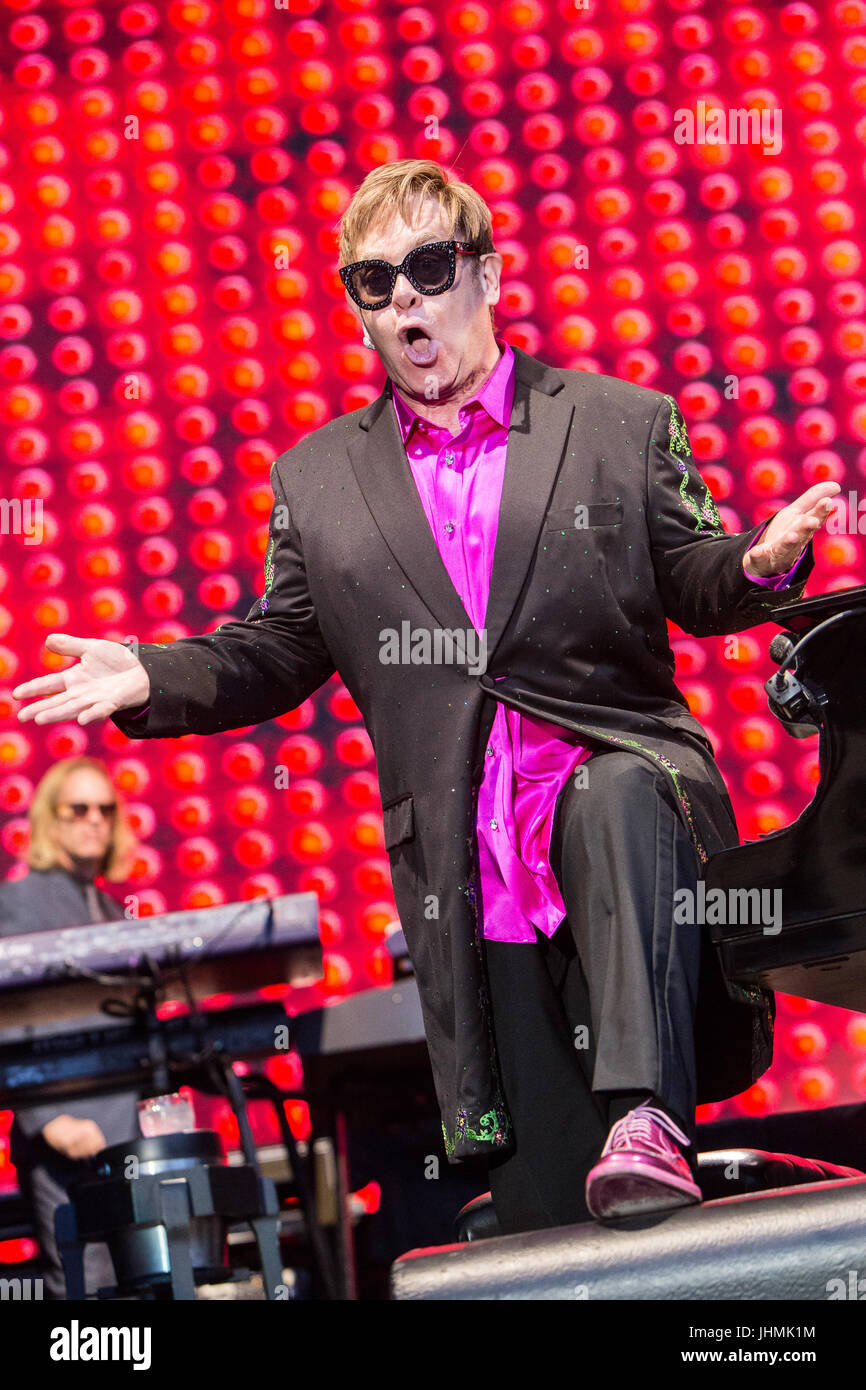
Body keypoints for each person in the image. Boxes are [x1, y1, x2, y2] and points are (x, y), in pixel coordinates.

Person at [12, 159, 840, 1237]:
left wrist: (763, 563)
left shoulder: (614, 423)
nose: (404, 295)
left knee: (617, 796)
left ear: (483, 274)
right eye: (374, 280)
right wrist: (152, 669)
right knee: (554, 1220)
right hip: (470, 865)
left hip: (622, 827)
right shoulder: (318, 483)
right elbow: (277, 646)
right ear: (358, 311)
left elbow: (692, 574)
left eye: (428, 265)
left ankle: (645, 1108)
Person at [0, 757, 140, 1295]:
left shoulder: (108, 907)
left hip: (122, 1137)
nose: (94, 820)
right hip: (66, 1136)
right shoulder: (17, 903)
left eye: (105, 809)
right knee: (89, 1294)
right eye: (78, 809)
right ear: (49, 820)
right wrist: (48, 1118)